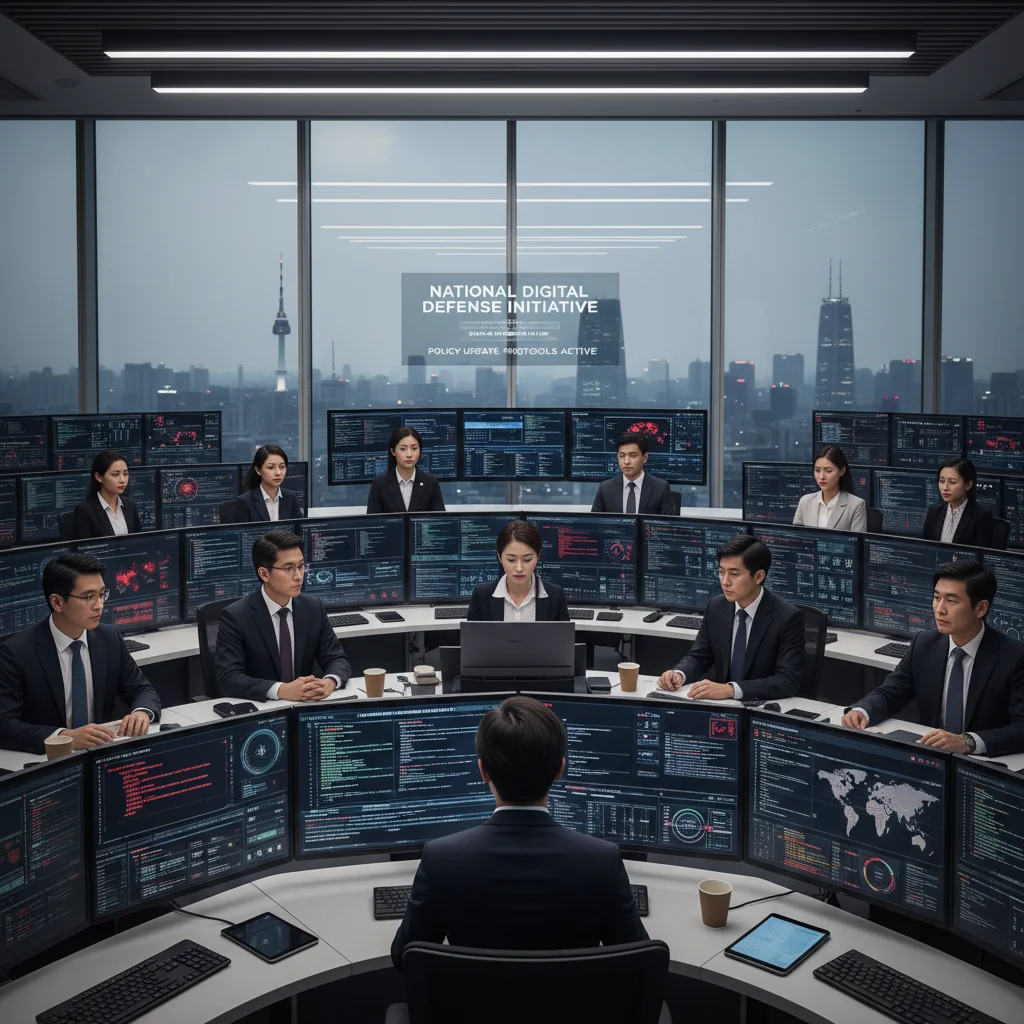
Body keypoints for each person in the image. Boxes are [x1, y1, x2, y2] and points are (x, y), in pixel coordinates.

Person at [391, 696, 647, 969]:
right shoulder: (603, 861)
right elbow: (637, 960)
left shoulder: (440, 859)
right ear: (560, 769)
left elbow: (403, 956)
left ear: (483, 771)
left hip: (471, 1012)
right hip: (574, 1010)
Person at [841, 561, 1024, 757]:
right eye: (937, 597)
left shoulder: (1013, 657)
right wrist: (862, 711)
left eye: (951, 601)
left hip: (984, 764)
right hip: (934, 757)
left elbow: (1021, 728)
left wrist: (968, 742)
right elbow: (890, 693)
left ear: (980, 608)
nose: (939, 609)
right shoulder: (924, 644)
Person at [0, 553, 161, 754]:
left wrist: (142, 712)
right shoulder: (17, 652)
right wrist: (63, 737)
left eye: (102, 594)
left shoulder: (109, 638)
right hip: (47, 763)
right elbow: (4, 725)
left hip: (100, 754)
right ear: (57, 603)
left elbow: (143, 690)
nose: (99, 605)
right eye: (88, 597)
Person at [656, 535, 804, 701]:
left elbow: (787, 680)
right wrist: (679, 674)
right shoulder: (716, 607)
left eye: (734, 574)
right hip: (723, 707)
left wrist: (731, 690)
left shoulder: (787, 617)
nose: (725, 582)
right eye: (721, 572)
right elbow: (699, 656)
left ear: (758, 577)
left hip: (762, 706)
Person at [215, 529, 351, 702]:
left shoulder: (312, 607)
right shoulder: (236, 616)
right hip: (261, 710)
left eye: (301, 566)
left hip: (304, 706)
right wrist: (281, 690)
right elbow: (228, 679)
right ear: (264, 574)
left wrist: (330, 681)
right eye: (288, 568)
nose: (298, 576)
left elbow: (336, 658)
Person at [467, 520, 570, 622]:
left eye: (527, 560)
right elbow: (472, 637)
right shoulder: (481, 596)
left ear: (538, 556)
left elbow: (563, 638)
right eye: (511, 560)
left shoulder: (555, 596)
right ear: (499, 556)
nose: (519, 568)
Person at [591, 432, 675, 515]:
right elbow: (595, 524)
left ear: (645, 458)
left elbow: (667, 526)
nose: (626, 462)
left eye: (633, 456)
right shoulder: (605, 489)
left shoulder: (661, 488)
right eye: (622, 456)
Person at [366, 426, 446, 514]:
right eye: (403, 449)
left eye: (414, 448)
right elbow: (373, 523)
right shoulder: (379, 484)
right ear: (393, 451)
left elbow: (440, 520)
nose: (409, 454)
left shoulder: (430, 482)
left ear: (420, 450)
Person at [921, 457, 994, 547]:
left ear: (968, 485)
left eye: (952, 482)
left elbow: (981, 556)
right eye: (942, 481)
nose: (945, 488)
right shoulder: (934, 512)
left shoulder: (981, 516)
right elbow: (924, 549)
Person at [792, 445, 867, 532]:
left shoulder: (856, 505)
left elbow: (857, 544)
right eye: (817, 470)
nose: (821, 476)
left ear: (842, 471)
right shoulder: (805, 501)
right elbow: (796, 538)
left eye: (828, 471)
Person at [70, 450, 142, 539]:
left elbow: (139, 542)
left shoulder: (130, 506)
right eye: (115, 474)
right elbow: (83, 550)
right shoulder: (84, 512)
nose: (122, 480)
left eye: (125, 474)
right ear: (99, 477)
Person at [235, 444, 303, 523]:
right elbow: (245, 534)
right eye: (271, 467)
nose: (278, 473)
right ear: (258, 470)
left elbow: (298, 532)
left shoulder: (291, 498)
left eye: (282, 467)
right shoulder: (245, 502)